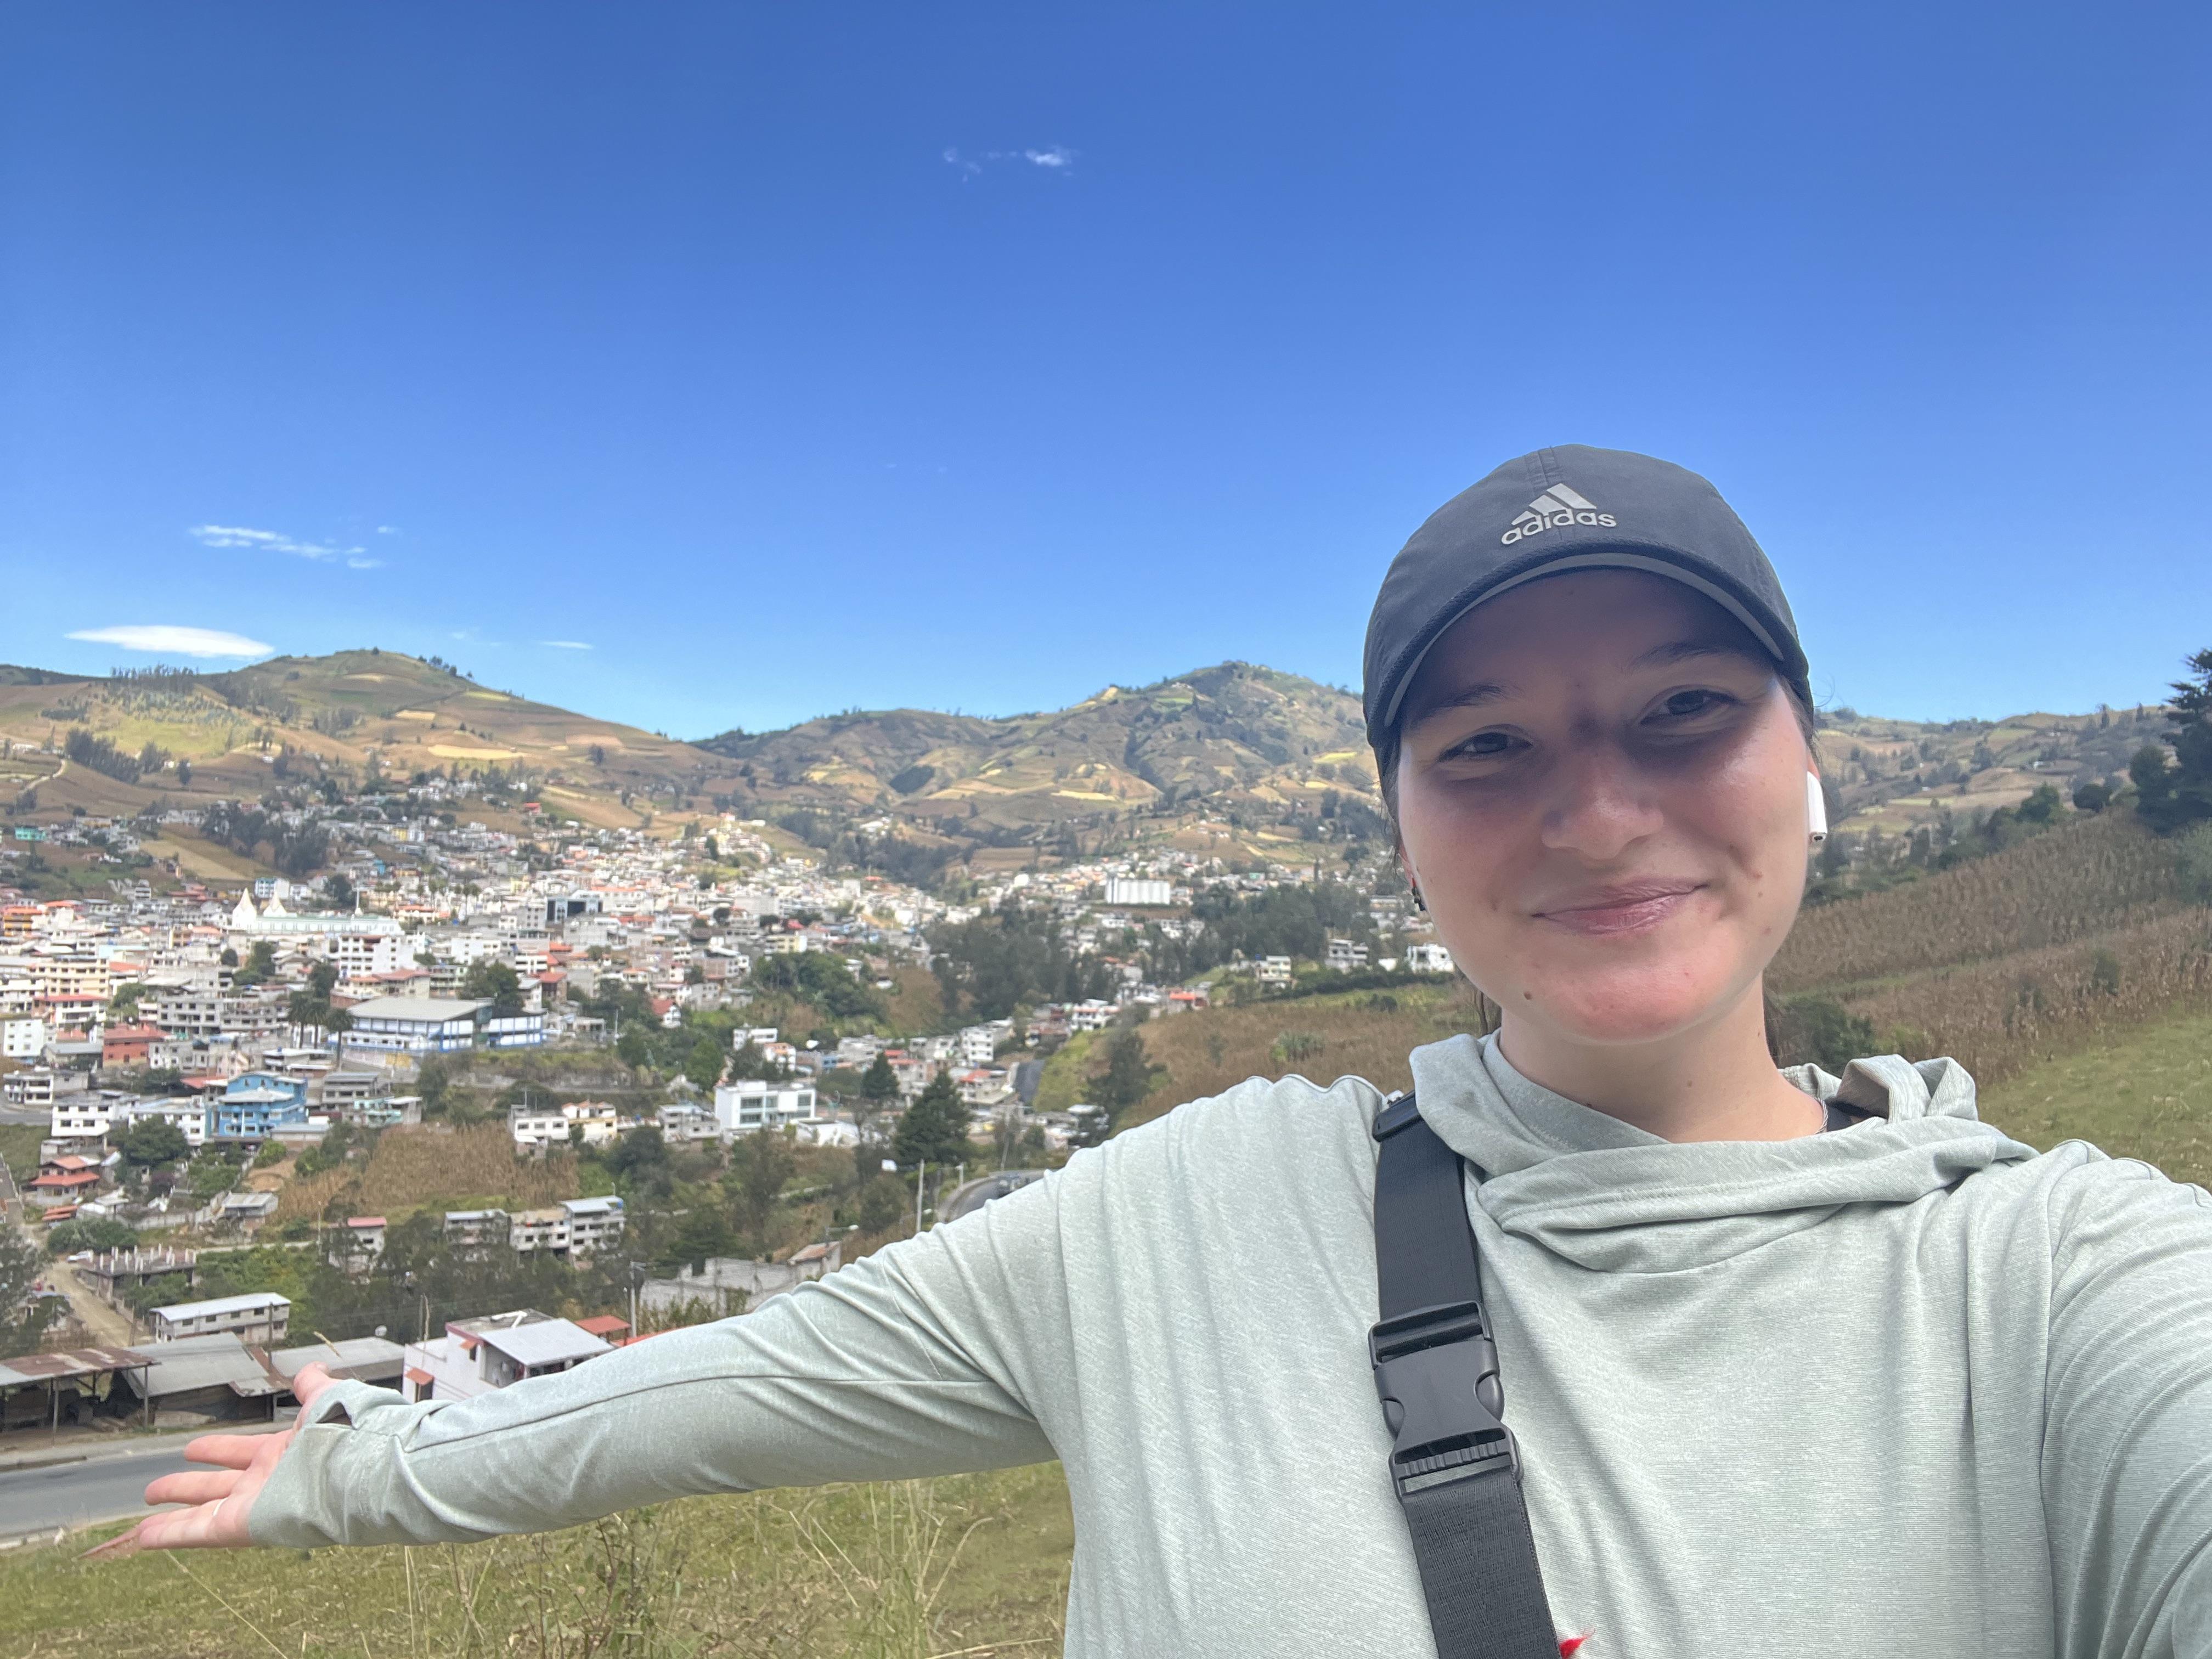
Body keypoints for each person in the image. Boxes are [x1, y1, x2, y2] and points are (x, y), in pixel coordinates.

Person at [101, 445, 2212, 1656]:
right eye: (1486, 746)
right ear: (1400, 830)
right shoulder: (1199, 1215)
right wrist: (348, 1463)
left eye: (1684, 712)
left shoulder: (2060, 1285)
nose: (1594, 811)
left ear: (1818, 761)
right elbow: (733, 1388)